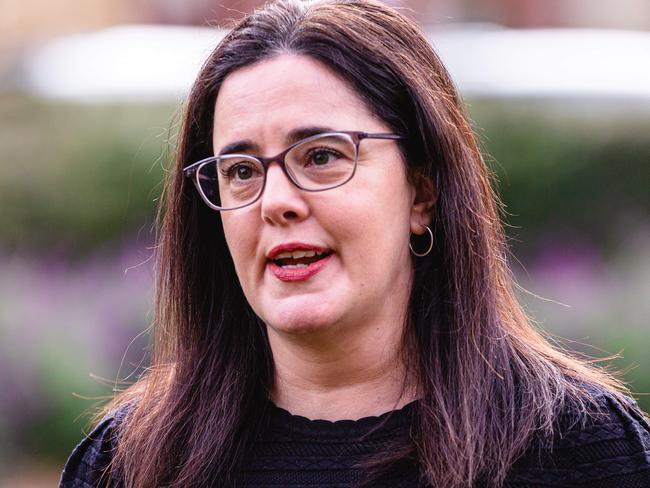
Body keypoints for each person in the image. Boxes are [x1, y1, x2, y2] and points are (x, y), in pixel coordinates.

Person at [60, 0, 650, 486]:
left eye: (321, 157)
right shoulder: (130, 463)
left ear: (422, 191)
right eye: (241, 169)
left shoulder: (579, 450)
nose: (275, 201)